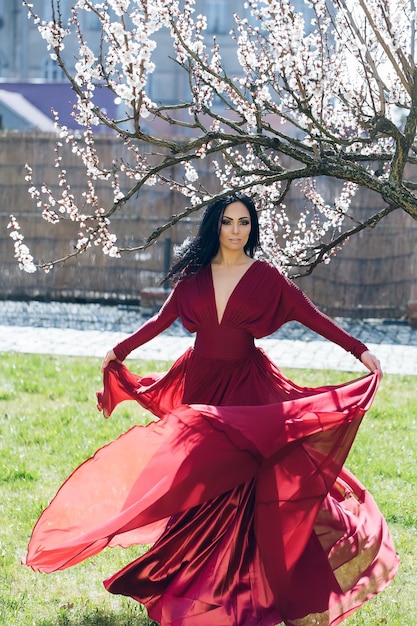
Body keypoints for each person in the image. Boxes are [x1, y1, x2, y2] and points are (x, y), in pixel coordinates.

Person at [25, 195, 399, 626]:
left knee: (250, 484)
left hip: (246, 387)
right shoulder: (194, 280)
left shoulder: (266, 278)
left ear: (251, 228)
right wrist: (117, 350)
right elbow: (160, 321)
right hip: (200, 386)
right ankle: (196, 584)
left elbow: (312, 317)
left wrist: (361, 351)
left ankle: (266, 588)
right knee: (200, 485)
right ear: (215, 228)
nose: (236, 230)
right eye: (228, 222)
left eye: (244, 223)